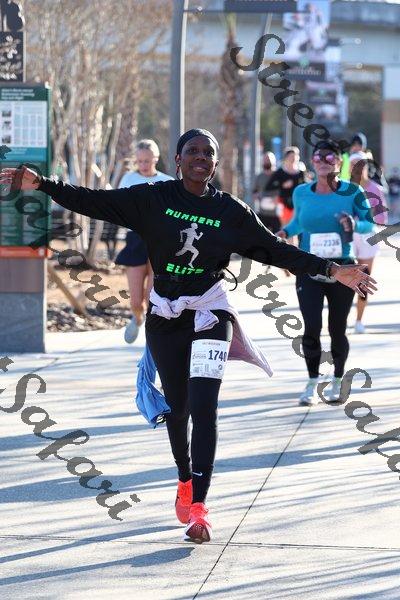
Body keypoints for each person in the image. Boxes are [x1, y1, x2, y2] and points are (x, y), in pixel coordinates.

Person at [0, 129, 376, 543]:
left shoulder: (230, 211)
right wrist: (44, 184)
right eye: (192, 151)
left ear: (215, 163)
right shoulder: (153, 199)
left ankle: (199, 506)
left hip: (211, 312)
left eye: (207, 153)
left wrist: (332, 269)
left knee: (204, 407)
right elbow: (94, 200)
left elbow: (276, 249)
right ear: (178, 160)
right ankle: (184, 478)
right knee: (178, 410)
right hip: (165, 316)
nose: (200, 157)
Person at [277, 139, 376, 407]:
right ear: (312, 161)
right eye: (318, 157)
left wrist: (354, 223)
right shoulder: (301, 192)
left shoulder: (352, 191)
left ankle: (338, 379)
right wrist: (284, 232)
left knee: (337, 328)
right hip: (309, 268)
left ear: (339, 162)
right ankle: (312, 382)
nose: (323, 161)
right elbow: (298, 222)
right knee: (311, 327)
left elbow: (369, 225)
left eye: (330, 157)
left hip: (343, 268)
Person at [115, 139, 173, 343]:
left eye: (147, 160)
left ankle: (152, 333)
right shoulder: (128, 179)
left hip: (159, 240)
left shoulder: (167, 181)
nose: (143, 165)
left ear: (155, 159)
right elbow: (119, 205)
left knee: (152, 297)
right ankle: (137, 318)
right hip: (135, 239)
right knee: (135, 300)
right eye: (139, 161)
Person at [349, 151, 388, 333]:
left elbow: (381, 218)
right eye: (353, 164)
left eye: (360, 163)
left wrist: (365, 220)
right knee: (346, 277)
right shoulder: (343, 188)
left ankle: (359, 320)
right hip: (348, 237)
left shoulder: (375, 189)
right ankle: (341, 317)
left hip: (368, 238)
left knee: (363, 278)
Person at [264, 146, 305, 227]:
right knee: (285, 227)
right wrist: (282, 186)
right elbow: (269, 187)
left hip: (297, 204)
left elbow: (304, 186)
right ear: (286, 158)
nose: (293, 159)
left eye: (295, 156)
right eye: (291, 156)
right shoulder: (280, 172)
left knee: (297, 227)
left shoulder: (301, 173)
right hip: (283, 204)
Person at [252, 151, 281, 233]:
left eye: (268, 159)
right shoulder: (259, 176)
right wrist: (256, 196)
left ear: (274, 161)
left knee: (277, 237)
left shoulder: (278, 175)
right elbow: (254, 191)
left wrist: (278, 198)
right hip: (263, 214)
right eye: (265, 160)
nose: (266, 161)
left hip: (276, 215)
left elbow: (284, 191)